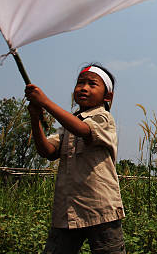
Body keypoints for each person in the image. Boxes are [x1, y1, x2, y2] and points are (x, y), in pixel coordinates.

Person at [26, 64, 126, 254]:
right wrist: (35, 118)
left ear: (108, 97)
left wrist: (46, 102)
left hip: (100, 209)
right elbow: (47, 151)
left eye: (92, 84)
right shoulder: (69, 123)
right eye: (80, 83)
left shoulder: (103, 118)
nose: (84, 88)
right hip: (68, 210)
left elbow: (83, 130)